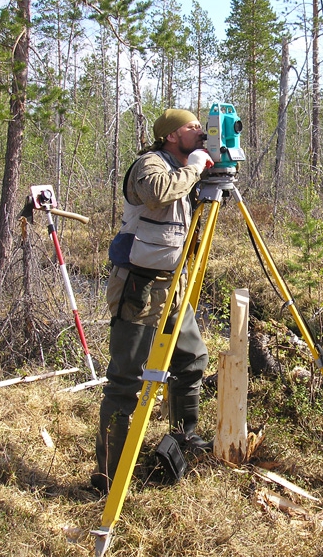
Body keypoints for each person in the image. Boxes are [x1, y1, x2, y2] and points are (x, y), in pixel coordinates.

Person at [92, 108, 214, 494]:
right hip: (140, 290)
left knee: (192, 360)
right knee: (126, 382)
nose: (200, 132)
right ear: (171, 136)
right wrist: (195, 168)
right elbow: (157, 193)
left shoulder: (185, 169)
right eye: (191, 127)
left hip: (175, 286)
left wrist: (204, 174)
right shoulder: (149, 164)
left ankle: (184, 437)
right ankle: (110, 477)